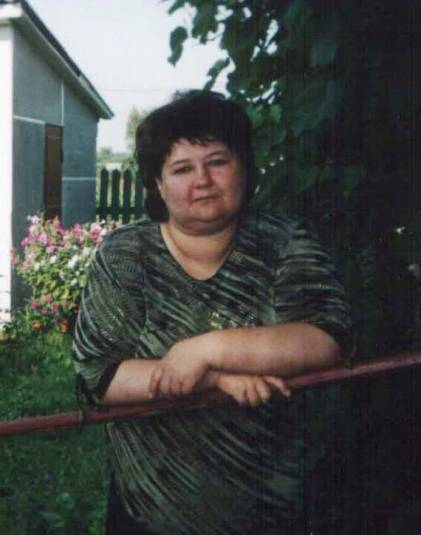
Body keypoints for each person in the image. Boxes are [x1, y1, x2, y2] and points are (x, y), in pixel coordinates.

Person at [73, 90, 352, 534]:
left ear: (244, 167)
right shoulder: (125, 255)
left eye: (217, 161)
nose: (202, 179)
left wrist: (207, 349)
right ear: (158, 185)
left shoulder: (285, 241)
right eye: (182, 168)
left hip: (272, 510)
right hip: (150, 512)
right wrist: (217, 379)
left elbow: (326, 341)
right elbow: (99, 377)